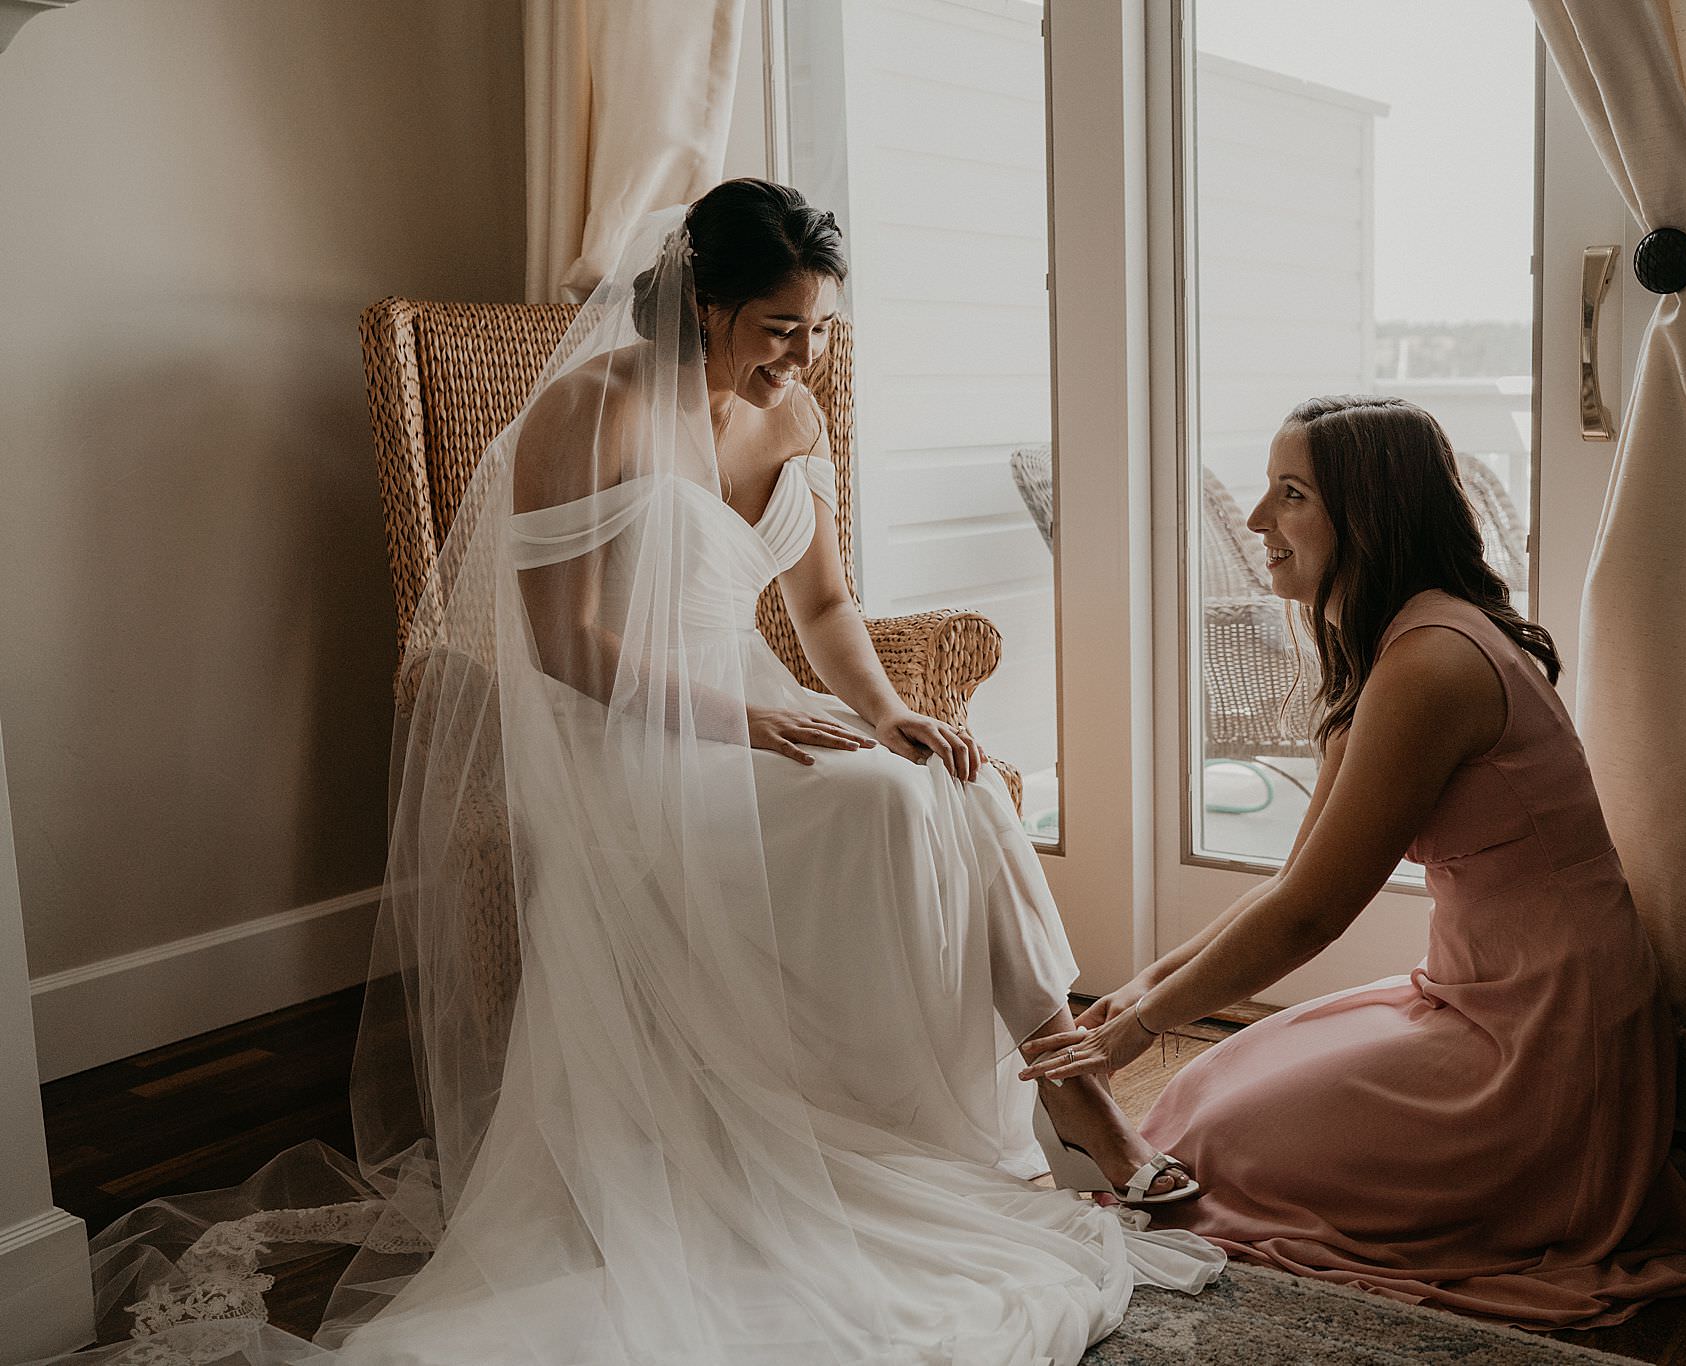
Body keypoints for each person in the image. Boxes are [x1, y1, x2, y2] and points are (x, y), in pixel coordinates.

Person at [57, 182, 1217, 1366]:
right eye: (779, 328)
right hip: (636, 737)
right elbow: (564, 643)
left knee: (948, 783)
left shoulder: (791, 415)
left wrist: (888, 709)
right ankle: (971, 1115)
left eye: (817, 328)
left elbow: (818, 602)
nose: (802, 356)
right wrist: (750, 729)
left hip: (765, 711)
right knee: (876, 801)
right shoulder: (588, 412)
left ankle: (1074, 1096)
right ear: (703, 303)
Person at [1020, 395, 1686, 1330]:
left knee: (1222, 1151)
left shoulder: (1436, 662)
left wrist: (1134, 1033)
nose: (1255, 521)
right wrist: (1130, 997)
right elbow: (1289, 885)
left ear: (1366, 517)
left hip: (1544, 1039)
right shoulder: (1393, 644)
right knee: (1202, 1096)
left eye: (1290, 495)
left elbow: (1312, 916)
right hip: (1470, 995)